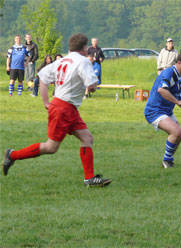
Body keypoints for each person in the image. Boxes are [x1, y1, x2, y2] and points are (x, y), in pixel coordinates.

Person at [2, 33, 111, 187]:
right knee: (51, 147)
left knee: (87, 138)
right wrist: (91, 87)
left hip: (65, 106)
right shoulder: (83, 62)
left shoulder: (62, 60)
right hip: (64, 108)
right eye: (86, 47)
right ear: (84, 48)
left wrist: (47, 102)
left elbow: (42, 78)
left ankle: (89, 179)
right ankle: (12, 155)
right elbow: (92, 86)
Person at [144, 52, 181, 168]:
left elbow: (179, 99)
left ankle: (168, 160)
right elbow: (161, 90)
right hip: (154, 111)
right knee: (176, 132)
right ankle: (167, 161)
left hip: (166, 111)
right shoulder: (169, 72)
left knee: (179, 135)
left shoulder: (178, 76)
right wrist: (177, 101)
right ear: (179, 63)